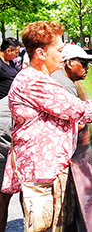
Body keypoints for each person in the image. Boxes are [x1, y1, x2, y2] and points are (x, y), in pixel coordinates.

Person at [6, 21, 92, 231]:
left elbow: (75, 113)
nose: (63, 56)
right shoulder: (34, 81)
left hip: (45, 171)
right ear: (42, 53)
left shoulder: (38, 78)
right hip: (42, 174)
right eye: (59, 50)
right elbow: (82, 112)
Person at [0, 38, 22, 224]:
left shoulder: (11, 63)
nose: (17, 55)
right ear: (7, 50)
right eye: (15, 51)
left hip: (11, 111)